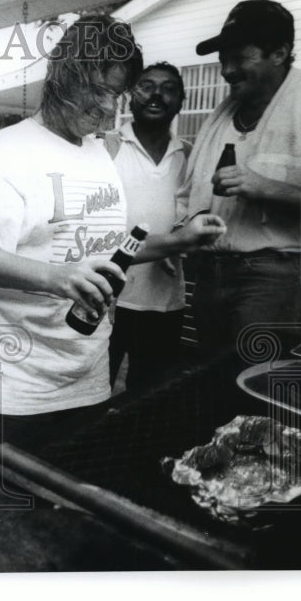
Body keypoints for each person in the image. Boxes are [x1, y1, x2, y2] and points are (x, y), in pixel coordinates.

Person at [0, 15, 226, 454]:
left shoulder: (97, 154)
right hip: (11, 376)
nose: (109, 109)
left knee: (62, 505)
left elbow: (110, 250)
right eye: (97, 91)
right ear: (61, 75)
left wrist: (183, 240)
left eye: (116, 95)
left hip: (85, 372)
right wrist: (60, 278)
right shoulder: (3, 151)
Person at [177, 0, 301, 361]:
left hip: (269, 276)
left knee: (248, 384)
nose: (227, 71)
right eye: (224, 60)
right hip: (210, 270)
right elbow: (188, 197)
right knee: (205, 378)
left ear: (279, 53)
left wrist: (266, 187)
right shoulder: (218, 120)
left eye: (240, 57)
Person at [104, 62, 192, 393]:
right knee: (92, 396)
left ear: (181, 100)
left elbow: (191, 219)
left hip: (165, 300)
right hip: (109, 297)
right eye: (146, 86)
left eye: (168, 88)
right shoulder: (107, 147)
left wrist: (178, 243)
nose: (156, 94)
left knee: (147, 401)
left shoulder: (190, 156)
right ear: (130, 97)